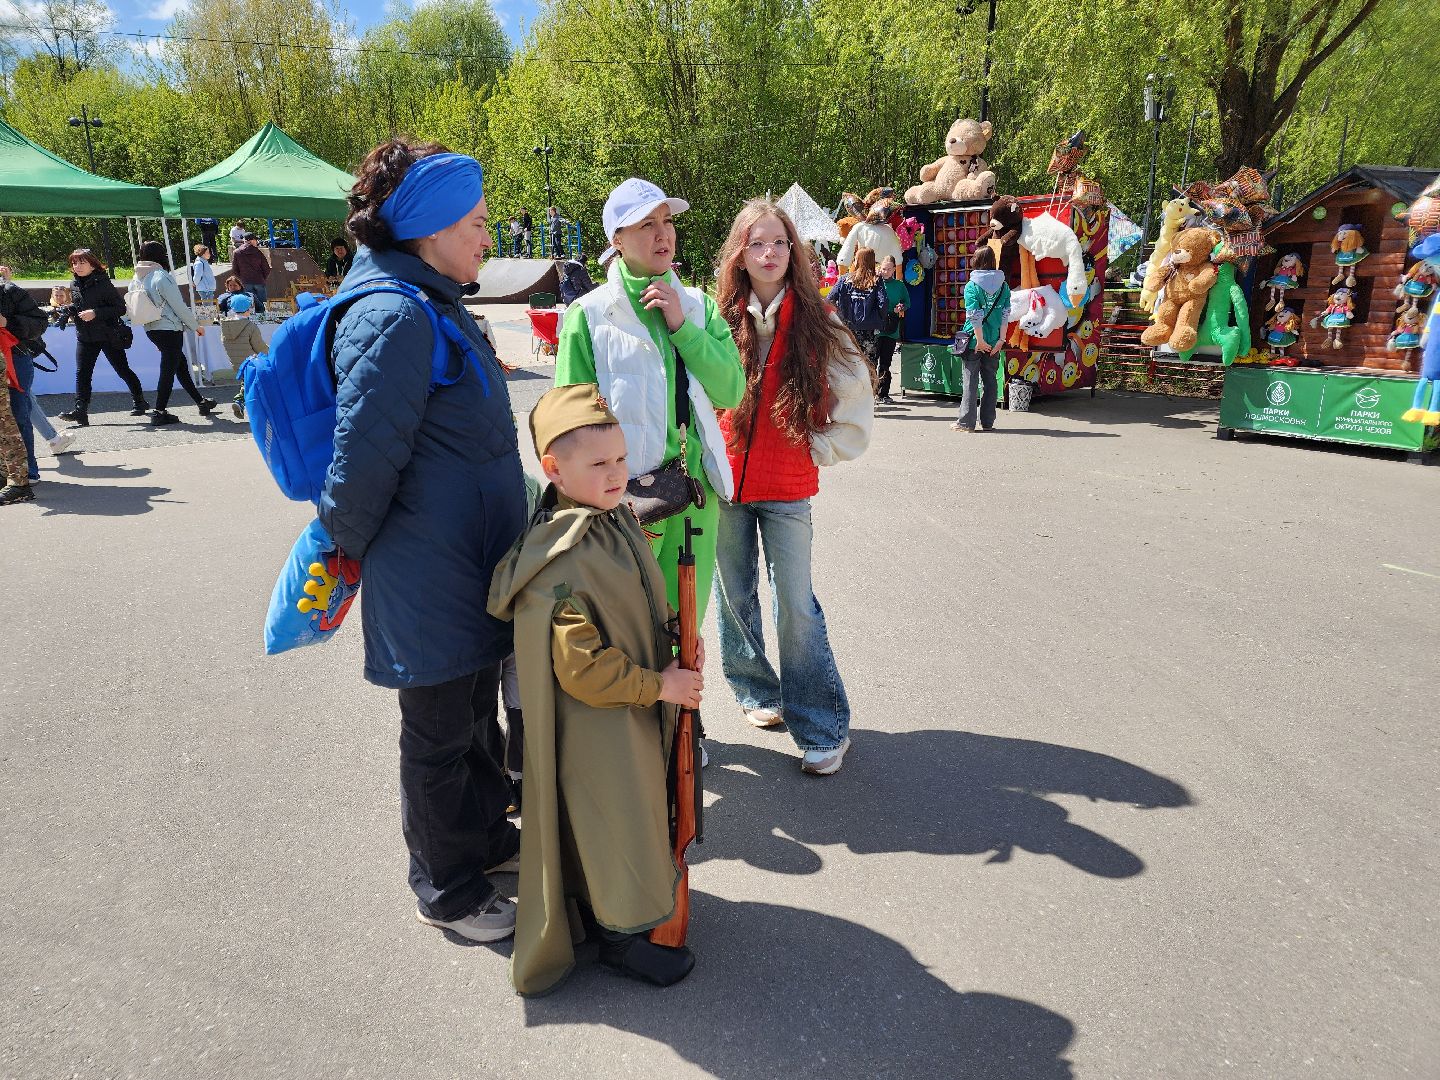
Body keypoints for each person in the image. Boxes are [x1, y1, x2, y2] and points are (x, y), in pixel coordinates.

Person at [321, 138, 526, 945]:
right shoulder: (393, 315)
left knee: (475, 715)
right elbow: (362, 461)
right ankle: (447, 888)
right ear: (431, 227)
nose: (487, 235)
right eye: (476, 222)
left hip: (465, 564)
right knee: (439, 735)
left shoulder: (430, 299)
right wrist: (341, 549)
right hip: (428, 571)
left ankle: (484, 842)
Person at [488, 382, 704, 994]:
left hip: (632, 705)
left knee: (636, 816)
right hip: (601, 721)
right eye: (599, 464)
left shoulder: (611, 522)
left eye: (621, 459)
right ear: (554, 468)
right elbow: (579, 667)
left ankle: (620, 917)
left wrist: (677, 640)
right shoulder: (560, 555)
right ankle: (621, 938)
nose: (618, 474)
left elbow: (637, 597)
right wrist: (655, 685)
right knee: (615, 823)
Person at [712, 199, 873, 776]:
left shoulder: (816, 318)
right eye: (757, 242)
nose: (769, 253)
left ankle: (823, 724)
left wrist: (820, 446)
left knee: (795, 606)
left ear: (793, 250)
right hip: (725, 480)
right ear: (740, 252)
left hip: (786, 485)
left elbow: (855, 389)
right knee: (733, 597)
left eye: (779, 242)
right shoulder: (716, 317)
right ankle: (757, 691)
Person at [554, 177, 744, 633]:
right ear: (616, 241)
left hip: (691, 493)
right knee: (625, 633)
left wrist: (682, 326)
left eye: (667, 220)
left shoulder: (698, 306)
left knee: (685, 630)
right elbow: (567, 423)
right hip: (618, 503)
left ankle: (686, 708)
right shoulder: (590, 315)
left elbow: (731, 390)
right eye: (645, 224)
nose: (664, 234)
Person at [54, 250, 149, 427]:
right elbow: (80, 305)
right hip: (85, 335)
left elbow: (120, 308)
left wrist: (96, 313)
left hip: (107, 335)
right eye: (74, 263)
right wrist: (69, 310)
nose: (77, 267)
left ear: (92, 264)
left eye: (82, 263)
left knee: (122, 370)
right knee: (82, 373)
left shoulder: (103, 283)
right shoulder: (74, 283)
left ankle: (139, 400)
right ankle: (81, 411)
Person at [133, 241, 216, 426]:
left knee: (179, 365)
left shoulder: (137, 277)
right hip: (169, 327)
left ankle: (201, 402)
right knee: (169, 370)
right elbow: (177, 305)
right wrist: (195, 325)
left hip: (151, 328)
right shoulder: (161, 275)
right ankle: (159, 411)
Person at [0, 264, 48, 501]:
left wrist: (7, 322)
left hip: (15, 361)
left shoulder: (9, 291)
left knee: (18, 416)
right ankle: (6, 473)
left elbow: (40, 322)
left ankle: (26, 473)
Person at [953, 244, 1011, 433]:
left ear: (976, 262)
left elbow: (974, 315)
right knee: (990, 381)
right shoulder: (1004, 285)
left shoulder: (972, 286)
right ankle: (987, 422)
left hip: (973, 341)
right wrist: (1001, 340)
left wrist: (979, 341)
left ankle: (966, 423)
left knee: (970, 381)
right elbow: (1005, 315)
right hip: (994, 340)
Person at [826, 247, 888, 364]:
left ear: (857, 260)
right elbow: (883, 303)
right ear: (872, 261)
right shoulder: (876, 281)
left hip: (847, 329)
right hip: (869, 329)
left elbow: (829, 300)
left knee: (849, 365)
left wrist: (838, 318)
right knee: (869, 366)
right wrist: (879, 319)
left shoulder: (844, 280)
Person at [875, 255, 908, 403]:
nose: (886, 272)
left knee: (885, 363)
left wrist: (901, 307)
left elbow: (907, 302)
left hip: (891, 328)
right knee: (871, 361)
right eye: (883, 269)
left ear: (894, 269)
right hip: (876, 327)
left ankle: (883, 393)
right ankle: (871, 393)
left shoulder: (899, 285)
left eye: (889, 269)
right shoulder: (875, 283)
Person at [231, 233, 271, 312]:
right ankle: (264, 318)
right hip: (259, 281)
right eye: (256, 240)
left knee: (249, 303)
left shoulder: (237, 252)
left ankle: (252, 318)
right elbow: (266, 268)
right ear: (251, 241)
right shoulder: (258, 252)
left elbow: (235, 269)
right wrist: (263, 278)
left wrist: (241, 278)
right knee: (262, 303)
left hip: (245, 281)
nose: (257, 242)